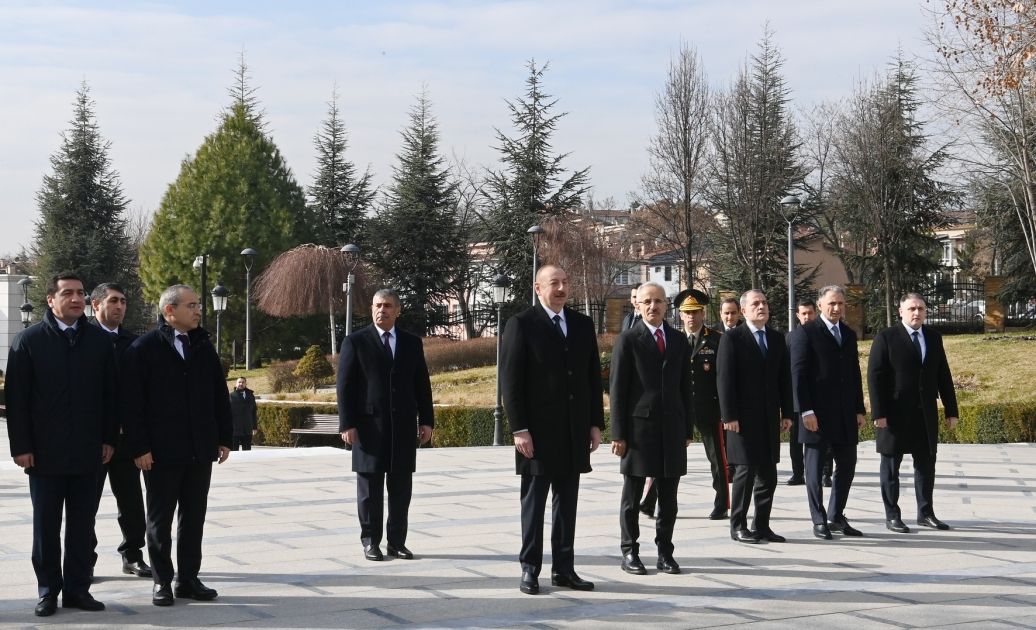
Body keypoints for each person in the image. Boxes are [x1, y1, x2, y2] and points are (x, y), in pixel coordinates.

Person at [5, 273, 117, 617]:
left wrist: (109, 438)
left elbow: (110, 396)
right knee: (46, 527)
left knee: (83, 527)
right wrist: (21, 447)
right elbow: (17, 401)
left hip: (87, 452)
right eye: (67, 293)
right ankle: (48, 591)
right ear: (51, 300)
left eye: (80, 293)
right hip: (44, 454)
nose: (76, 298)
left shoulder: (99, 342)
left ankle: (78, 590)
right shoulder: (29, 341)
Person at [123, 284, 232, 606]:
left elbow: (218, 396)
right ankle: (162, 582)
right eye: (192, 305)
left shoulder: (203, 346)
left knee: (194, 517)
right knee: (160, 520)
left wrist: (224, 438)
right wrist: (139, 448)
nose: (199, 310)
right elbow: (132, 406)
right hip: (160, 453)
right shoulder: (143, 349)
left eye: (199, 304)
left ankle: (188, 579)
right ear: (169, 311)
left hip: (199, 449)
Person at [500, 264, 604, 595]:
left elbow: (591, 378)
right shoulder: (521, 324)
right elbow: (511, 382)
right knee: (534, 504)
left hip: (573, 432)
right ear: (538, 287)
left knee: (567, 504)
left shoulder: (582, 324)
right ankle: (530, 568)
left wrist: (595, 423)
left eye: (564, 282)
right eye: (553, 283)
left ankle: (564, 569)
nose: (560, 288)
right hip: (537, 435)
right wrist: (520, 429)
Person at [338, 289, 434, 562]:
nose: (383, 310)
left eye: (388, 306)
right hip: (368, 427)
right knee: (369, 490)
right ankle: (370, 541)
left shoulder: (412, 343)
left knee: (401, 488)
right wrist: (348, 423)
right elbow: (344, 387)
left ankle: (397, 542)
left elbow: (421, 384)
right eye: (378, 305)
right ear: (371, 309)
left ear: (397, 310)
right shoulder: (355, 342)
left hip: (403, 427)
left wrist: (426, 420)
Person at [610, 282, 692, 575]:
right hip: (638, 430)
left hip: (672, 428)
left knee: (668, 498)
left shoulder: (679, 340)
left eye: (658, 301)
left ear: (666, 305)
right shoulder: (628, 340)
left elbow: (685, 387)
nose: (653, 306)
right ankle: (629, 552)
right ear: (638, 305)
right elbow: (617, 390)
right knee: (632, 498)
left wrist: (687, 429)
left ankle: (665, 552)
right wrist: (618, 434)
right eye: (647, 301)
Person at [868, 293, 959, 533]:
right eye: (911, 309)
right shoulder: (886, 338)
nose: (916, 313)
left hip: (924, 414)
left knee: (926, 465)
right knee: (890, 467)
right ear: (900, 311)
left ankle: (925, 512)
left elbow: (943, 375)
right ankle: (892, 515)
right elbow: (875, 378)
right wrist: (879, 412)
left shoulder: (933, 337)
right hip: (893, 415)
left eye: (920, 308)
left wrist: (951, 410)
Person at [789, 286, 867, 540]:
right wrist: (805, 410)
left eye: (841, 304)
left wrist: (858, 408)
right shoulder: (806, 333)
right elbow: (798, 375)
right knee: (813, 469)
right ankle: (818, 518)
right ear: (820, 305)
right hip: (816, 415)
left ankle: (836, 515)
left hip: (844, 414)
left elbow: (854, 374)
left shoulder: (848, 333)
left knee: (847, 465)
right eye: (832, 303)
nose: (837, 308)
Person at [717, 289, 793, 544]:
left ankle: (762, 525)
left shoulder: (776, 338)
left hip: (769, 417)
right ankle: (737, 525)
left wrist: (787, 412)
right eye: (756, 303)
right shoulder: (733, 338)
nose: (762, 306)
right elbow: (724, 380)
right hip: (741, 419)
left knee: (768, 475)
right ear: (744, 311)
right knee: (744, 473)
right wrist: (729, 415)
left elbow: (784, 379)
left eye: (764, 302)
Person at [89, 283, 152, 579]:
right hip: (91, 440)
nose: (120, 306)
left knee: (131, 501)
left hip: (126, 441)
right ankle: (84, 559)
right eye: (113, 301)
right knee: (85, 504)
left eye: (124, 301)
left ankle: (132, 554)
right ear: (96, 305)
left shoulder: (134, 343)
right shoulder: (82, 340)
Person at [678, 288, 729, 519]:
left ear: (703, 313)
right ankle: (650, 501)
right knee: (667, 458)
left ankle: (721, 503)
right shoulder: (674, 339)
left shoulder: (717, 339)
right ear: (680, 315)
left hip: (710, 407)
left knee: (717, 459)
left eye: (695, 312)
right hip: (680, 409)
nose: (691, 317)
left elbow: (724, 377)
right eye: (687, 313)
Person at [785, 298, 817, 486]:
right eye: (803, 313)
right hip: (796, 396)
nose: (807, 317)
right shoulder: (790, 338)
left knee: (822, 436)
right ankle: (798, 472)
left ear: (815, 313)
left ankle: (824, 473)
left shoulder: (823, 335)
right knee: (796, 438)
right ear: (797, 315)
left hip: (819, 395)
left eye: (810, 313)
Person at [229, 377, 258, 451]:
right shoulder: (231, 396)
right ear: (236, 384)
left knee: (247, 451)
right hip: (235, 429)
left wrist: (254, 427)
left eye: (243, 382)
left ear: (245, 384)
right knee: (234, 451)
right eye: (239, 382)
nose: (241, 384)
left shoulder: (250, 395)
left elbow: (254, 412)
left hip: (247, 428)